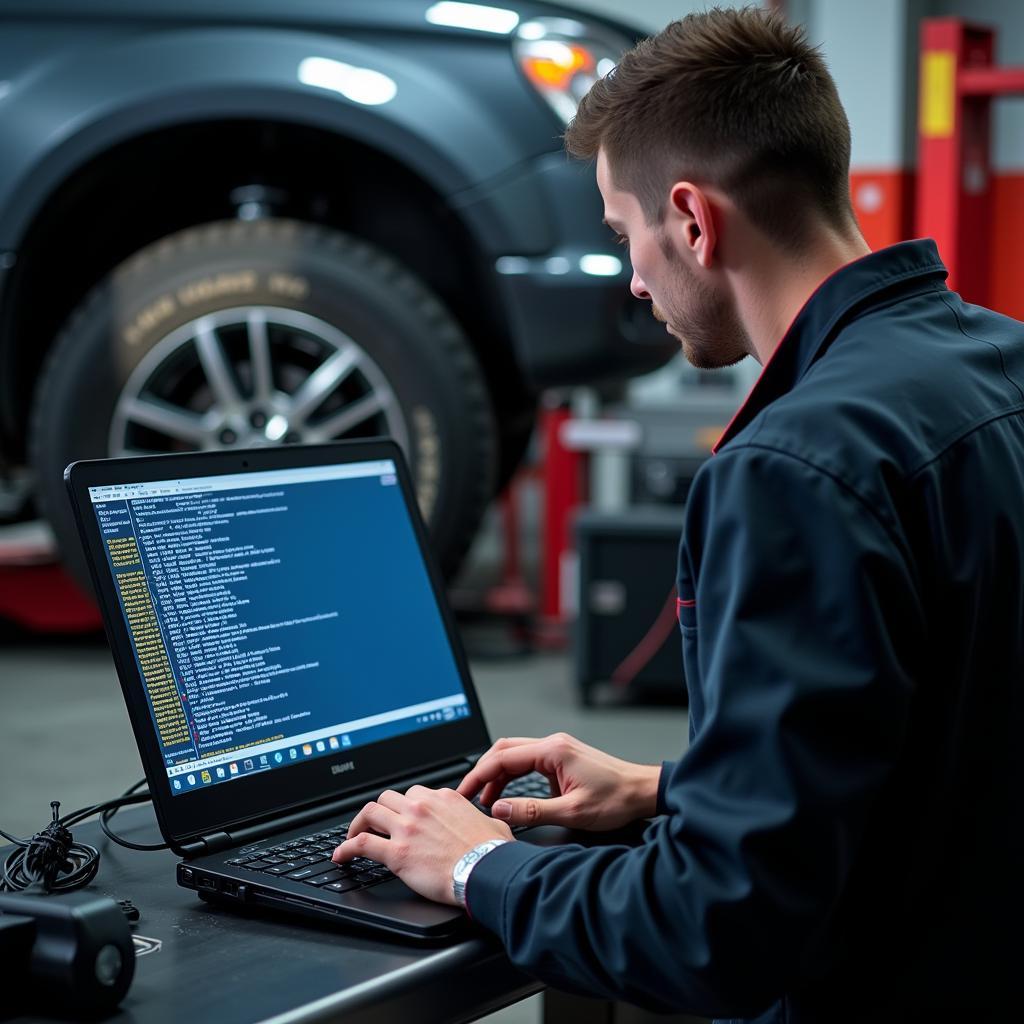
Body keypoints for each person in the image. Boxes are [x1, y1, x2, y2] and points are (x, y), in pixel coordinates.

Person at [333, 7, 1023, 1021]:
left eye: (625, 235)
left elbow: (719, 929)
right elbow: (952, 746)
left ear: (693, 221)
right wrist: (669, 788)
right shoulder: (998, 363)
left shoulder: (792, 468)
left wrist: (480, 866)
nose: (632, 278)